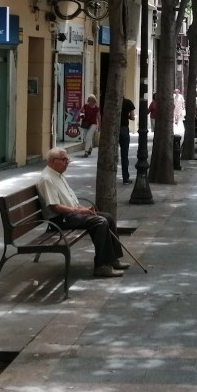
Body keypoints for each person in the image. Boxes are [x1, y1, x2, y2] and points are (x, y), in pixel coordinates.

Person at [36, 148, 129, 278]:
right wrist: (80, 211)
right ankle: (101, 266)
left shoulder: (57, 175)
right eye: (63, 160)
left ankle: (112, 259)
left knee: (107, 217)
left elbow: (69, 200)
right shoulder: (47, 179)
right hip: (60, 220)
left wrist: (83, 209)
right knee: (100, 222)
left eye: (67, 159)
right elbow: (55, 207)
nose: (67, 162)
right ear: (52, 161)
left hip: (70, 215)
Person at [119, 96, 135, 183]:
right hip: (124, 129)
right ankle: (125, 178)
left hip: (113, 129)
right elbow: (132, 117)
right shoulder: (128, 102)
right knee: (124, 155)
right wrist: (127, 116)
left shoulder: (111, 101)